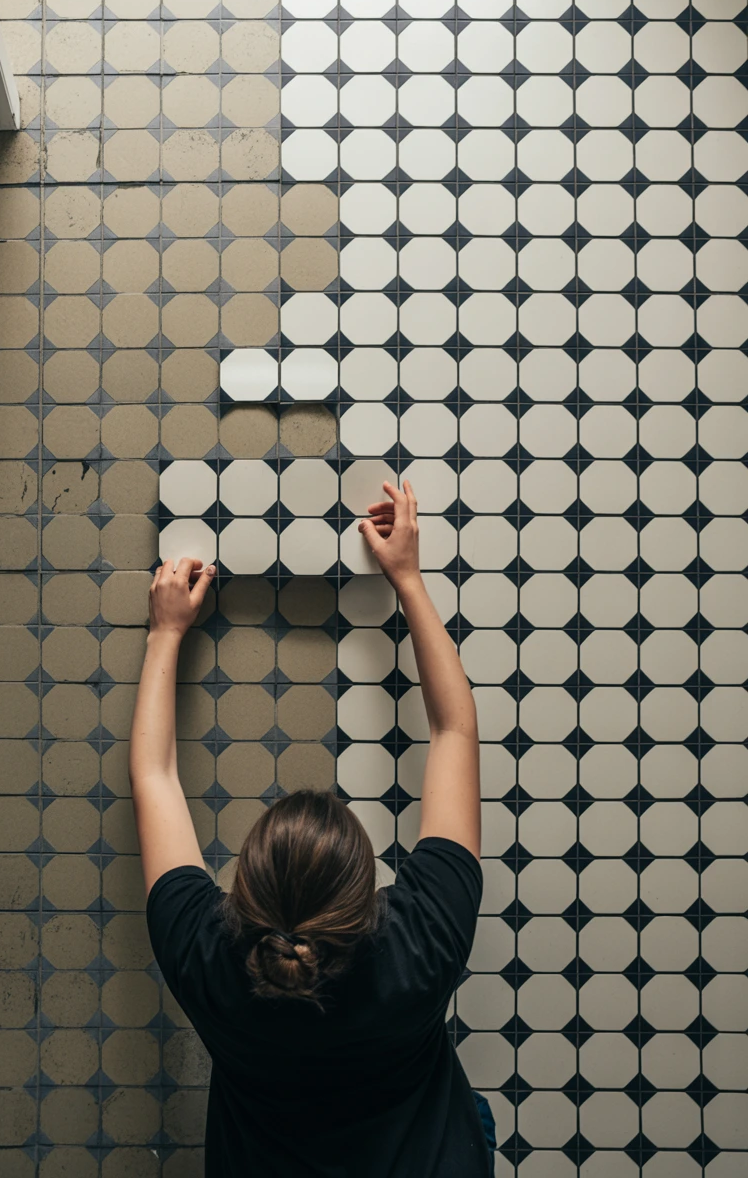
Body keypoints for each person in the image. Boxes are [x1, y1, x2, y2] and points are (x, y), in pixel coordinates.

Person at [130, 481, 495, 1177]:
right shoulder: (423, 943)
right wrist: (410, 581)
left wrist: (165, 632)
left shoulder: (210, 961)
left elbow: (154, 775)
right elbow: (454, 732)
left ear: (244, 891)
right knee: (472, 1118)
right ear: (368, 894)